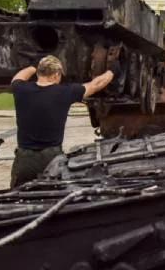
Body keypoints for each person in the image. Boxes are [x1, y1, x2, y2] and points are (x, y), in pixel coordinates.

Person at [9, 55, 115, 187]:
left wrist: (33, 66)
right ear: (56, 74)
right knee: (55, 195)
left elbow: (18, 77)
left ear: (39, 72)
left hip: (24, 159)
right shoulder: (65, 92)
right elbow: (96, 85)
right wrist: (112, 71)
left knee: (17, 196)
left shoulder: (21, 90)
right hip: (52, 159)